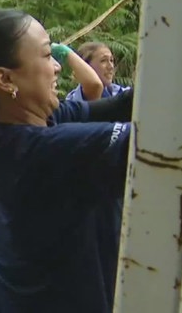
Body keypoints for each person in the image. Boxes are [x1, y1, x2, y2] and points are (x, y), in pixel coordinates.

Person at [0, 9, 133, 313]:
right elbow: (154, 143)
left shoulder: (6, 128)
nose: (57, 66)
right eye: (46, 55)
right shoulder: (39, 153)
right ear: (5, 79)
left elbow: (120, 106)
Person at [65, 41, 131, 304]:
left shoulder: (123, 94)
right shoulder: (71, 105)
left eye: (111, 60)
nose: (110, 65)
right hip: (90, 196)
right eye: (103, 60)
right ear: (84, 66)